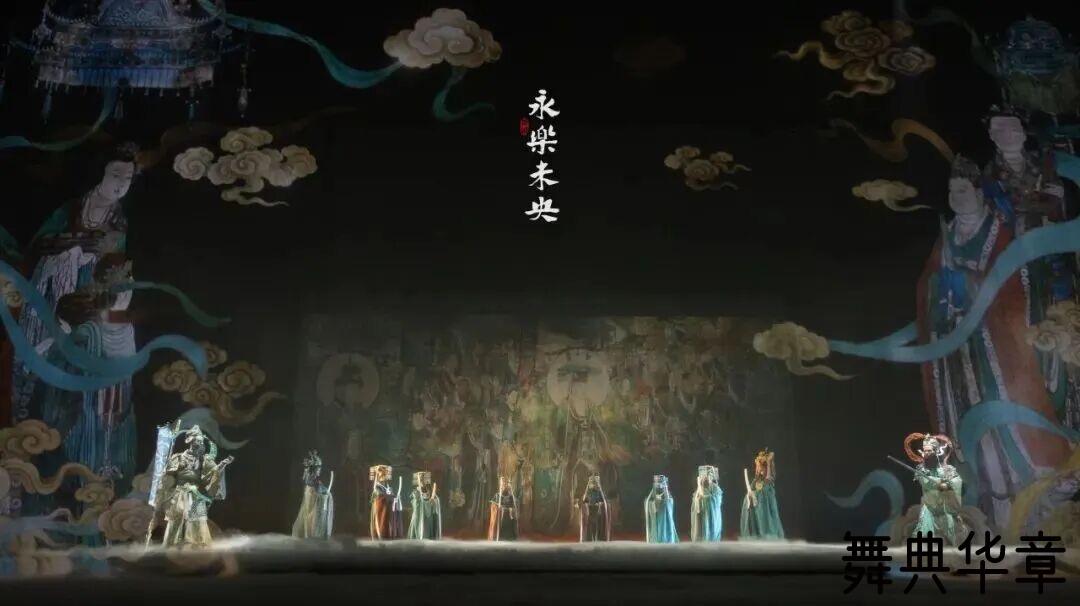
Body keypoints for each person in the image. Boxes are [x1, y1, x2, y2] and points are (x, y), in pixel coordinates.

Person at [916, 153, 1073, 531]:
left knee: (1007, 422)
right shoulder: (947, 237)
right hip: (959, 353)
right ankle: (989, 500)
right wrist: (940, 289)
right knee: (972, 426)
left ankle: (1028, 493)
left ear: (979, 193)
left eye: (963, 190)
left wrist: (974, 286)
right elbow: (927, 285)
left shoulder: (999, 232)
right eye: (952, 191)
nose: (957, 198)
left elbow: (1018, 282)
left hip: (998, 352)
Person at [159, 425, 233, 548]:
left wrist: (222, 465)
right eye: (197, 441)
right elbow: (168, 476)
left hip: (196, 492)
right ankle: (172, 542)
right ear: (190, 441)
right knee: (177, 517)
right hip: (180, 492)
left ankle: (197, 542)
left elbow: (211, 474)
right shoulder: (178, 457)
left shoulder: (205, 460)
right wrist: (166, 485)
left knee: (197, 517)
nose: (199, 443)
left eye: (201, 441)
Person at [904, 433, 970, 546]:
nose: (927, 453)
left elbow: (958, 481)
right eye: (925, 451)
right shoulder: (921, 470)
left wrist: (948, 485)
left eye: (929, 451)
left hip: (946, 507)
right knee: (923, 533)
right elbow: (925, 482)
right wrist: (938, 482)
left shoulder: (948, 469)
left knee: (952, 531)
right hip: (929, 507)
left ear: (936, 452)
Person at [740, 449, 784, 539]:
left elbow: (768, 479)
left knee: (767, 527)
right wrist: (750, 495)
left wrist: (768, 462)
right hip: (757, 508)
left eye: (762, 467)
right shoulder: (756, 481)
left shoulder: (768, 480)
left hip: (766, 509)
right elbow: (750, 491)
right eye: (759, 467)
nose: (760, 469)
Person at [292, 450, 334, 539]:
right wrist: (325, 493)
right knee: (310, 516)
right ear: (314, 470)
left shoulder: (314, 480)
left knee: (309, 516)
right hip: (311, 499)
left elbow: (320, 488)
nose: (319, 471)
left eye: (320, 469)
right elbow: (317, 488)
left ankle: (309, 534)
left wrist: (326, 492)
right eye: (318, 469)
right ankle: (310, 534)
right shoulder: (312, 480)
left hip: (311, 497)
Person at [369, 464, 404, 540]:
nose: (386, 477)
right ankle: (382, 534)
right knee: (382, 521)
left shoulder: (387, 486)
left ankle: (390, 533)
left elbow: (391, 495)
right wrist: (390, 497)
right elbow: (379, 497)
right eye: (385, 474)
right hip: (380, 508)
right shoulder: (377, 486)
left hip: (388, 506)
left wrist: (394, 497)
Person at [690, 465, 723, 542]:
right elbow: (696, 500)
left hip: (711, 516)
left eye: (708, 476)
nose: (706, 478)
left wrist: (705, 498)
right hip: (702, 516)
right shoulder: (699, 489)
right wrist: (699, 486)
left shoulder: (715, 488)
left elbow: (716, 500)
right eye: (704, 476)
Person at [407, 470, 442, 540]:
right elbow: (416, 502)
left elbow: (434, 499)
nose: (423, 482)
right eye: (421, 480)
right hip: (420, 514)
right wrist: (427, 502)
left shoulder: (429, 490)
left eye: (424, 479)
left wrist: (433, 499)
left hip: (428, 515)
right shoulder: (416, 491)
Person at [575, 474, 611, 542]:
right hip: (590, 512)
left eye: (596, 481)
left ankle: (598, 539)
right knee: (590, 528)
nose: (594, 483)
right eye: (592, 481)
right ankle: (589, 540)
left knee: (598, 528)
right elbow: (583, 501)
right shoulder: (588, 493)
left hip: (598, 513)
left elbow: (604, 502)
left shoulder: (600, 492)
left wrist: (600, 504)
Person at [644, 474, 678, 543]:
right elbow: (650, 501)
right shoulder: (651, 499)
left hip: (666, 526)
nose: (659, 486)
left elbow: (669, 502)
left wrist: (665, 488)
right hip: (656, 527)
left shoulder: (668, 499)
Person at [487, 475, 519, 541]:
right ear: (500, 485)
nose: (504, 485)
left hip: (509, 518)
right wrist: (498, 507)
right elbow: (493, 504)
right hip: (500, 517)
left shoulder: (511, 496)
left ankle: (510, 537)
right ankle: (498, 537)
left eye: (506, 484)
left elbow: (515, 504)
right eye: (503, 484)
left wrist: (511, 509)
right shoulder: (497, 495)